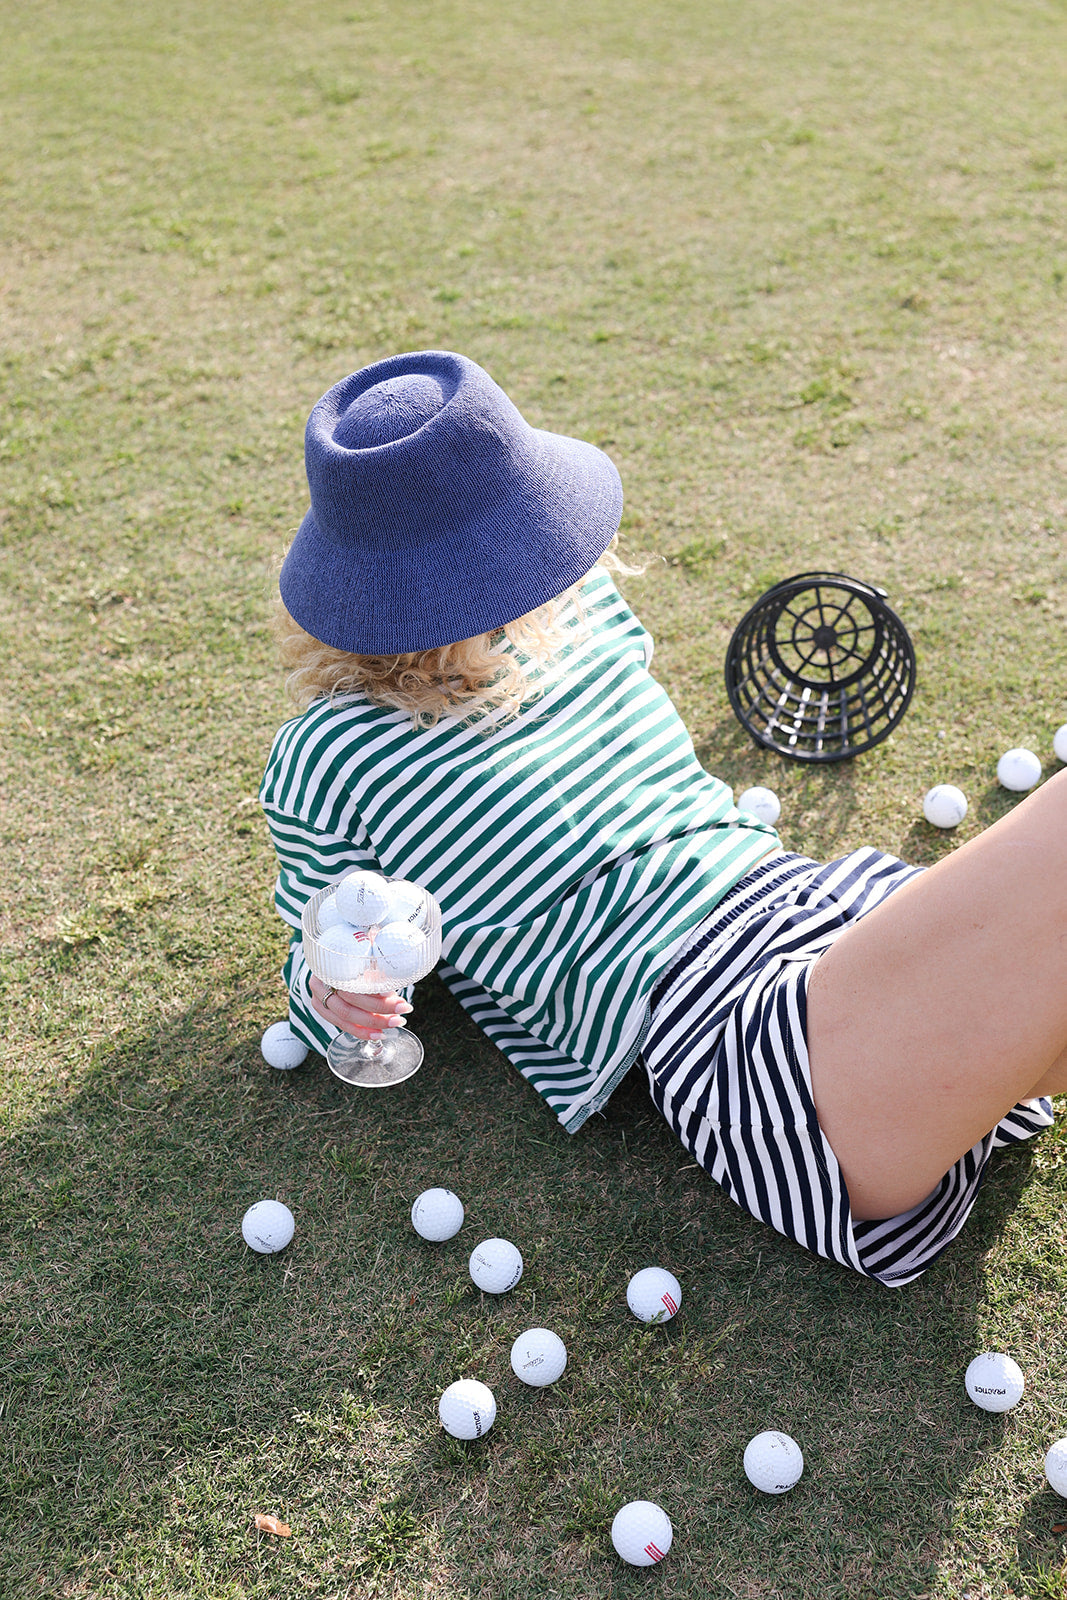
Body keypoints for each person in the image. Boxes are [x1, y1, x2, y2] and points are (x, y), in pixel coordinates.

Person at [260, 348, 1064, 1288]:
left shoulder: (576, 602)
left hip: (821, 906)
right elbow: (328, 947)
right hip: (724, 1027)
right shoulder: (330, 759)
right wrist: (333, 993)